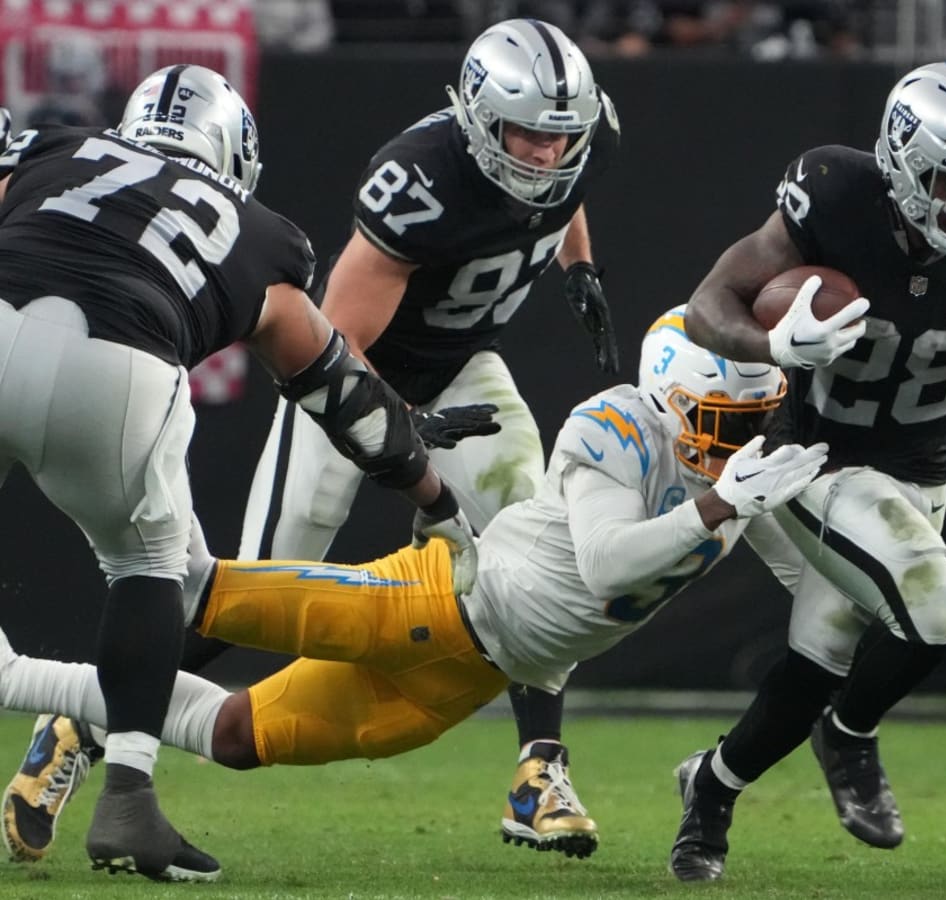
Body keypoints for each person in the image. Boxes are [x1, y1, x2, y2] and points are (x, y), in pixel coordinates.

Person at [0, 310, 827, 865]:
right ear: (674, 401)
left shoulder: (740, 479)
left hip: (463, 686)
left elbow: (811, 588)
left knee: (233, 737)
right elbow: (611, 561)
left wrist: (854, 616)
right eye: (727, 422)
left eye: (757, 422)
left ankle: (62, 703)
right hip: (433, 603)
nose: (744, 441)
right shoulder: (616, 428)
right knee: (196, 588)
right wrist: (723, 503)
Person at [0, 64, 486, 882]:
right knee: (150, 568)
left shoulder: (53, 150)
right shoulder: (260, 233)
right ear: (235, 153)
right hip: (118, 366)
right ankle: (127, 801)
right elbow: (342, 397)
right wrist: (431, 494)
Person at [665, 61, 946, 881]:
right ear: (904, 166)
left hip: (919, 469)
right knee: (939, 605)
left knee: (821, 650)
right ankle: (851, 735)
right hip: (813, 456)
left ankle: (712, 788)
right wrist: (769, 346)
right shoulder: (835, 196)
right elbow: (709, 303)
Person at [231, 16, 620, 857]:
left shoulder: (567, 148)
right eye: (526, 133)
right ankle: (85, 721)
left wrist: (578, 267)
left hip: (461, 368)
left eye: (561, 136)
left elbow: (565, 191)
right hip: (348, 384)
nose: (544, 155)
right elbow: (330, 344)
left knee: (541, 547)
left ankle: (538, 769)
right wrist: (396, 428)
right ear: (478, 116)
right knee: (249, 589)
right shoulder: (422, 180)